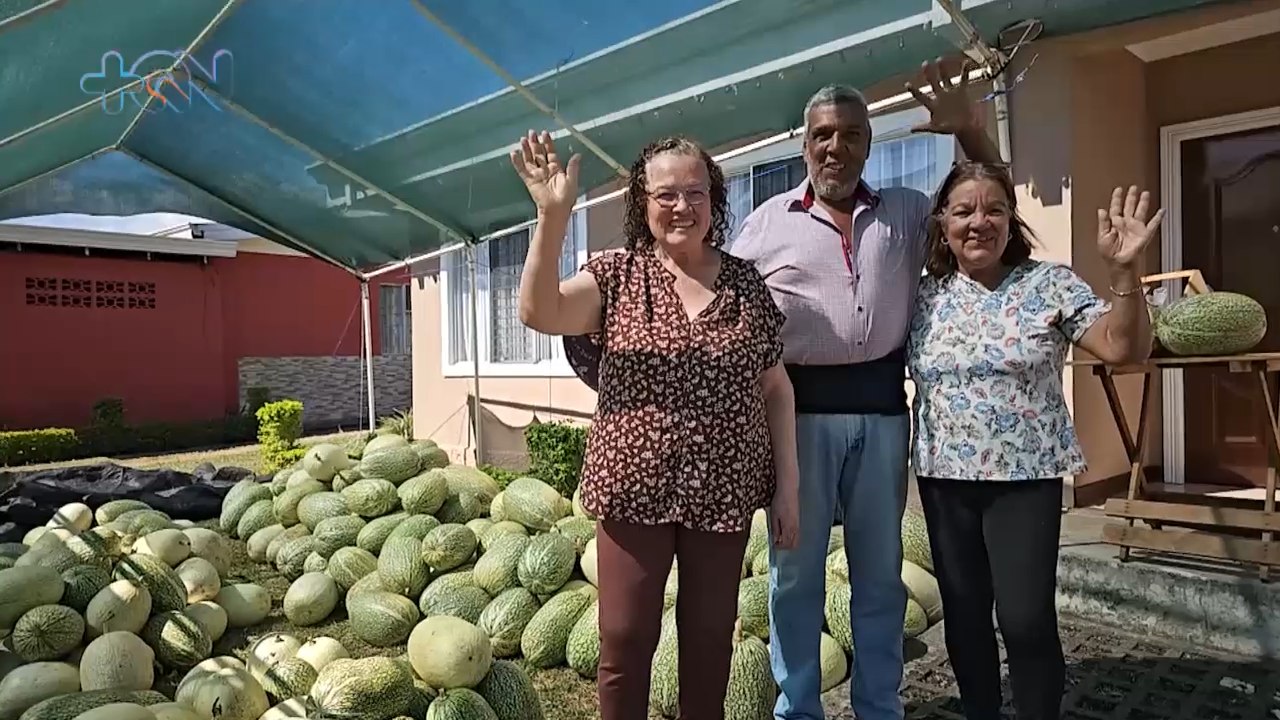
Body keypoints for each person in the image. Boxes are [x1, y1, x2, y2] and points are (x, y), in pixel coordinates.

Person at [730, 60, 1001, 720]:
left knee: (878, 577)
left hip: (883, 417)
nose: (835, 147)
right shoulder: (765, 223)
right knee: (795, 578)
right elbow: (725, 313)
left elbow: (989, 203)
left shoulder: (908, 212)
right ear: (805, 145)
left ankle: (880, 707)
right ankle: (799, 708)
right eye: (823, 135)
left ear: (868, 144)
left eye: (851, 134)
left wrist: (971, 132)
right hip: (797, 423)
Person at [510, 129, 801, 720]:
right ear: (642, 203)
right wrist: (552, 216)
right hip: (632, 487)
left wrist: (787, 488)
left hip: (724, 490)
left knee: (709, 639)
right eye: (664, 194)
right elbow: (539, 311)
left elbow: (776, 386)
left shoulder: (746, 284)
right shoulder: (617, 277)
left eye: (695, 192)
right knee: (622, 639)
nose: (681, 206)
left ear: (714, 201)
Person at [907, 164, 1161, 720]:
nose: (980, 222)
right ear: (942, 224)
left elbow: (1124, 349)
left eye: (994, 209)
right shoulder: (923, 296)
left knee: (1024, 620)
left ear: (1011, 220)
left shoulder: (1050, 283)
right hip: (944, 479)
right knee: (966, 616)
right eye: (964, 211)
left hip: (1025, 479)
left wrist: (1126, 271)